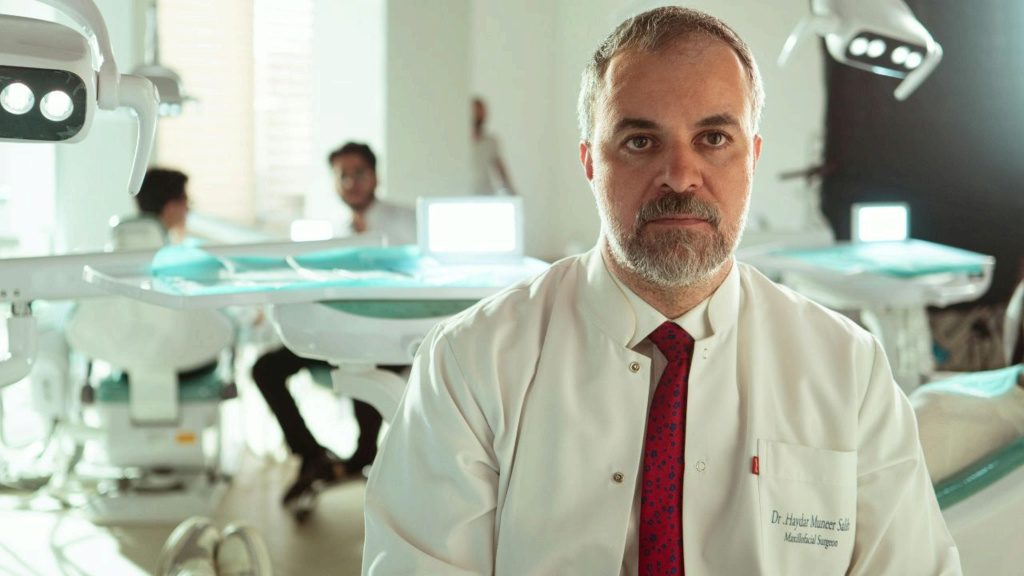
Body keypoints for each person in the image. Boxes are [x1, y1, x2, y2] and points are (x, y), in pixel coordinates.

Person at [363, 7, 961, 575]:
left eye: (714, 138)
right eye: (641, 141)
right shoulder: (471, 362)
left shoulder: (848, 370)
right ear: (590, 163)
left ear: (753, 158)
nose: (679, 176)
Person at [252, 142, 415, 507]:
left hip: (393, 338)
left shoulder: (407, 222)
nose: (352, 182)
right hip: (344, 334)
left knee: (364, 361)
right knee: (265, 369)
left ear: (376, 177)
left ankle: (363, 456)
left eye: (360, 173)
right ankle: (311, 455)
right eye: (343, 175)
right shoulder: (337, 235)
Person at [132, 167, 191, 244]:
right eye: (185, 202)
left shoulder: (135, 239)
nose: (188, 209)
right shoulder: (162, 247)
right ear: (170, 207)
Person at [471, 97, 514, 195]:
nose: (479, 118)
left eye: (482, 115)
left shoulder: (490, 143)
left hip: (485, 195)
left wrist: (511, 193)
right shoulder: (459, 144)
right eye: (476, 114)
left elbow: (500, 170)